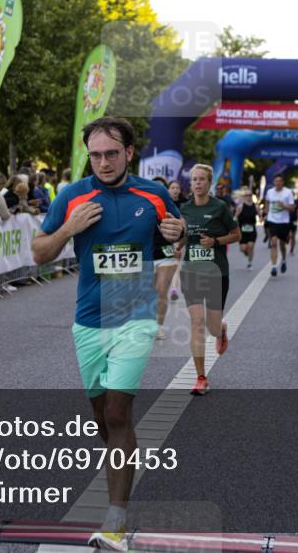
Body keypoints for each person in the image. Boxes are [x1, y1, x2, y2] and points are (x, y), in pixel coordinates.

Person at [31, 117, 184, 552]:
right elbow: (40, 253)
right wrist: (68, 229)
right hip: (88, 320)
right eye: (95, 155)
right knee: (104, 420)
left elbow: (176, 233)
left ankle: (115, 519)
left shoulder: (152, 194)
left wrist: (180, 231)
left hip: (136, 316)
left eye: (111, 154)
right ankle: (123, 459)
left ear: (129, 153)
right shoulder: (72, 196)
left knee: (118, 413)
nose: (102, 162)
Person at [179, 164, 240, 395]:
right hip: (191, 272)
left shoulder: (220, 207)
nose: (197, 183)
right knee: (196, 323)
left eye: (201, 179)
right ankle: (201, 377)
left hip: (217, 273)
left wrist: (215, 242)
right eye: (194, 179)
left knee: (212, 328)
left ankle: (221, 330)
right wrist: (179, 245)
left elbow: (236, 235)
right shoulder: (184, 209)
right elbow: (184, 236)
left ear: (209, 182)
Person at [151, 177, 182, 340]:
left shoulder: (170, 207)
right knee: (147, 293)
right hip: (146, 255)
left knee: (161, 291)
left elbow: (180, 226)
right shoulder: (141, 205)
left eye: (161, 187)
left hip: (165, 253)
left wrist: (178, 244)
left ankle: (158, 326)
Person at [261, 174, 295, 277]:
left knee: (282, 245)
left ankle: (284, 260)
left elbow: (292, 208)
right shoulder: (270, 192)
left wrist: (284, 205)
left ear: (282, 182)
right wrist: (265, 214)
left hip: (284, 222)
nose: (278, 183)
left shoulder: (288, 192)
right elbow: (267, 204)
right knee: (274, 242)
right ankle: (274, 266)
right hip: (272, 221)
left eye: (280, 181)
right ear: (274, 182)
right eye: (276, 181)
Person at [234, 186, 259, 269]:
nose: (249, 196)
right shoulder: (240, 207)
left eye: (250, 195)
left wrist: (263, 218)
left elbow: (261, 217)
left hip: (252, 230)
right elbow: (235, 218)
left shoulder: (256, 206)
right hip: (242, 231)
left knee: (250, 246)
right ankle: (246, 252)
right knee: (243, 248)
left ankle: (249, 263)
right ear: (244, 197)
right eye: (247, 195)